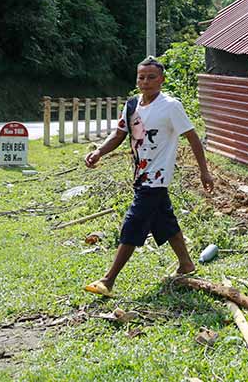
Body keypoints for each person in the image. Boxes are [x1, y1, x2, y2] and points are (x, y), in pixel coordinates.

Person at [82, 56, 214, 297]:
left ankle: (108, 280)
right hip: (140, 173)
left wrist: (204, 171)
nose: (146, 82)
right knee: (163, 220)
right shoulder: (132, 105)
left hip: (157, 176)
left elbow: (193, 138)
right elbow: (119, 135)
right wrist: (99, 151)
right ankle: (186, 264)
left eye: (152, 77)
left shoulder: (171, 106)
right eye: (141, 77)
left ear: (162, 80)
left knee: (133, 223)